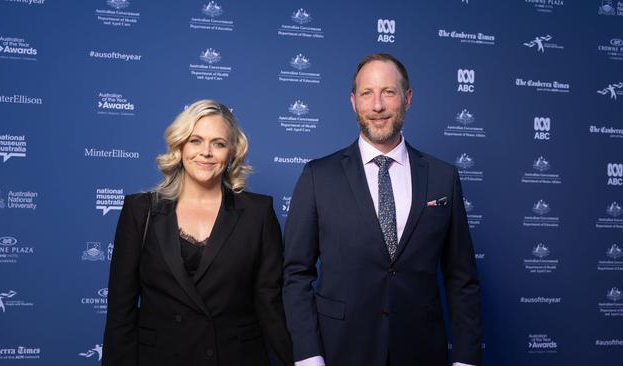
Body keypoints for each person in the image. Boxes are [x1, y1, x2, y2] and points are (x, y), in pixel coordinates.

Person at [283, 54, 482, 366]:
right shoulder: (318, 176)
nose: (377, 106)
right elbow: (295, 274)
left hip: (421, 352)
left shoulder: (444, 177)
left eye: (388, 92)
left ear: (408, 99)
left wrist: (466, 359)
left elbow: (462, 278)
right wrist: (309, 356)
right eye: (366, 93)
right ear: (353, 101)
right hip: (339, 351)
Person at [102, 100, 293, 366]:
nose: (206, 152)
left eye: (218, 143)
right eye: (195, 140)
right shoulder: (140, 210)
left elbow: (270, 304)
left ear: (232, 152)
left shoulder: (258, 213)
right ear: (180, 146)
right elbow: (120, 315)